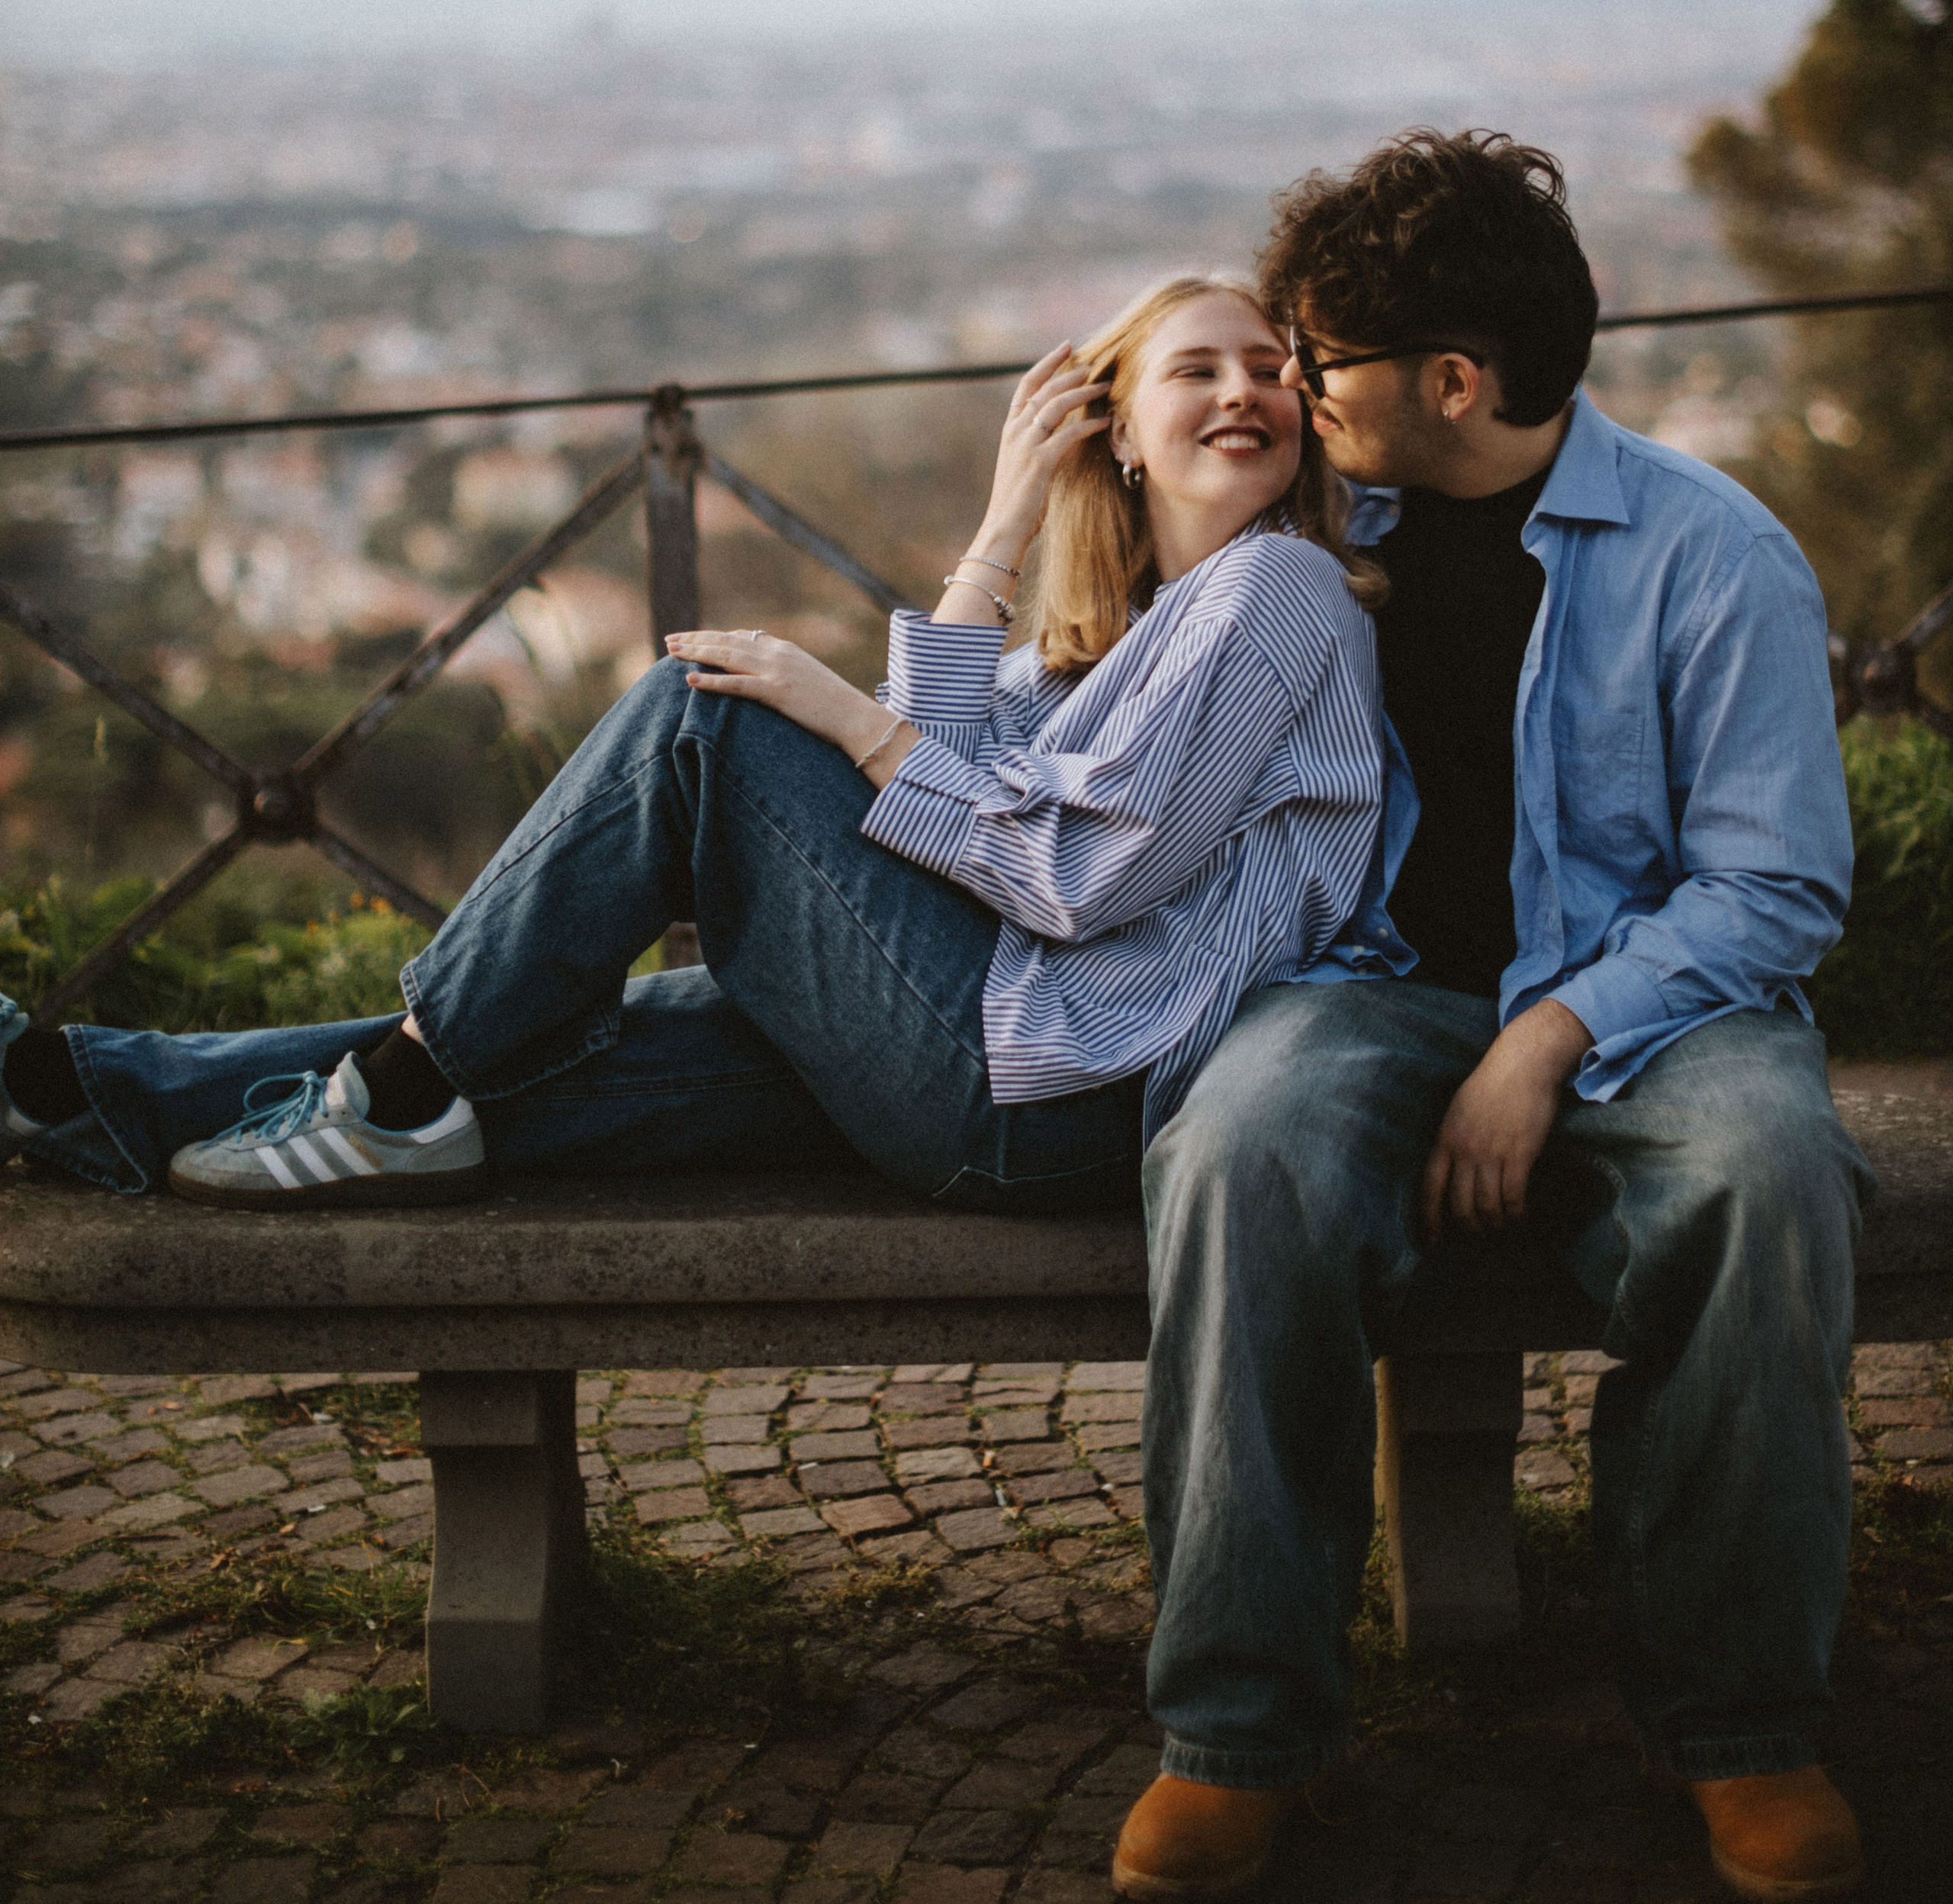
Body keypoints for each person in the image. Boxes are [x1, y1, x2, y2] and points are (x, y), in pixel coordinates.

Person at [1113, 135, 1872, 1904]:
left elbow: (1769, 892)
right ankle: (1233, 1732)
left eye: (1321, 361)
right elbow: (1095, 701)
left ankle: (1742, 1727)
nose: (1290, 388)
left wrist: (1543, 1042)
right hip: (1368, 990)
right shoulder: (1298, 529)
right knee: (1232, 1153)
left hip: (1652, 1006)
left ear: (1449, 382)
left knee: (1766, 1179)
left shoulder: (1711, 559)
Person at [0, 279, 1398, 1240]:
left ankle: (406, 1086)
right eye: (1195, 369)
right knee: (575, 1048)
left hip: (1063, 1094)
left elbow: (1074, 874)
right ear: (1120, 431)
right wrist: (1005, 521)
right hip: (998, 1061)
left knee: (709, 714)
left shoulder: (1282, 591)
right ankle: (85, 1089)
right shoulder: (1138, 630)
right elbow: (951, 785)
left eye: (1272, 372)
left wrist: (837, 710)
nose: (1245, 393)